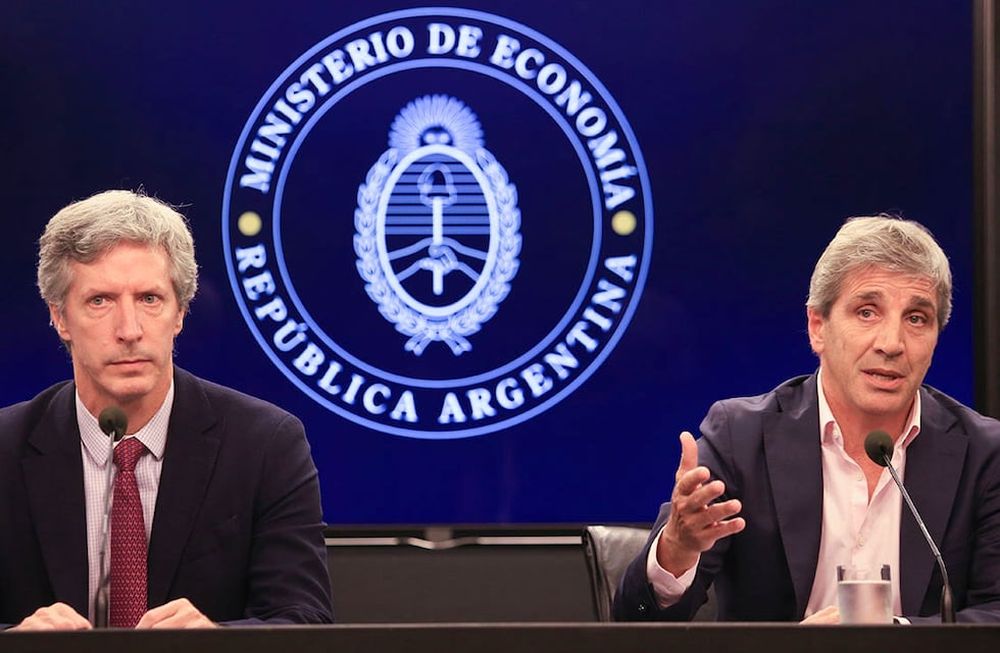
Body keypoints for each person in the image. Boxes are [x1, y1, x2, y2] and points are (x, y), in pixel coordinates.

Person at [614, 215, 1000, 624]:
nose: (892, 344)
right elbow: (636, 623)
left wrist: (891, 635)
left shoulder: (983, 454)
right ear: (818, 327)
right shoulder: (742, 437)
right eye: (867, 312)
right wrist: (677, 548)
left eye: (916, 319)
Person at [0, 190, 333, 629]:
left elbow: (303, 620)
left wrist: (216, 642)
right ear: (60, 318)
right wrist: (17, 642)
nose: (129, 330)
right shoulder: (5, 449)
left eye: (149, 299)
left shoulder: (265, 445)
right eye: (100, 301)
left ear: (179, 313)